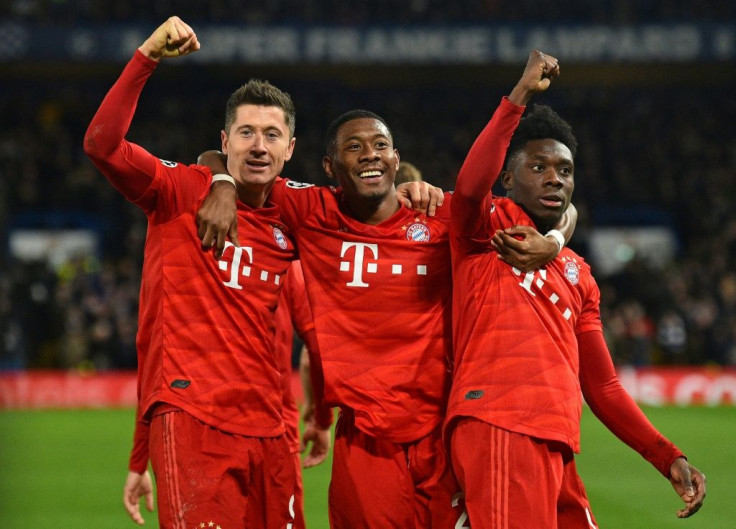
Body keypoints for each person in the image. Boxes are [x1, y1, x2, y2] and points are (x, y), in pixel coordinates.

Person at [196, 109, 573, 526]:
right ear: (330, 166)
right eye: (353, 147)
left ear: (395, 159)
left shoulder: (440, 215)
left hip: (443, 437)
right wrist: (223, 184)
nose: (369, 156)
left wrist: (554, 240)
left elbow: (553, 209)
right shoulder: (310, 210)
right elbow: (216, 155)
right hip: (366, 443)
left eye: (379, 146)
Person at [446, 49, 707, 528]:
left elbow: (602, 384)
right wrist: (520, 94)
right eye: (539, 167)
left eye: (564, 171)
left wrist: (666, 455)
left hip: (557, 442)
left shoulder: (577, 271)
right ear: (507, 179)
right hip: (501, 425)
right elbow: (466, 191)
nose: (554, 179)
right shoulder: (486, 231)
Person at [84, 16, 302, 528]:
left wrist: (416, 192)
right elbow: (102, 146)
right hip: (194, 417)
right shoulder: (178, 192)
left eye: (272, 135)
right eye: (246, 132)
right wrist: (146, 58)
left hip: (270, 431)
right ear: (225, 140)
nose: (259, 146)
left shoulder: (295, 217)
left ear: (290, 149)